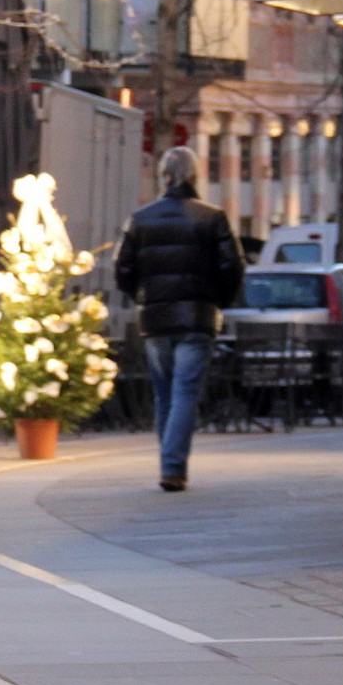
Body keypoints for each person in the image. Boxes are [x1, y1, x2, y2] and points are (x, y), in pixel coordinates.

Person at [114, 145, 244, 491]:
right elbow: (233, 266)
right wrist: (217, 300)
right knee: (185, 391)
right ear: (194, 175)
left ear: (162, 176)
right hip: (197, 316)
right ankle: (172, 466)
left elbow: (123, 269)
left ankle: (169, 462)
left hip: (156, 318)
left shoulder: (140, 219)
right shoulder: (211, 217)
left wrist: (143, 297)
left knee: (165, 393)